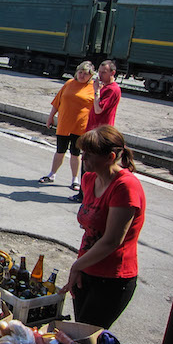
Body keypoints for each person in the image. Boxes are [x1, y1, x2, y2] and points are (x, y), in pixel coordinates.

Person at [60, 126, 146, 329]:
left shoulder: (125, 187)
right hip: (86, 269)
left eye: (89, 155)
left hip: (112, 278)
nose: (83, 158)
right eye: (82, 153)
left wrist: (77, 265)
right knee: (79, 332)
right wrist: (81, 266)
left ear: (110, 157)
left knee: (88, 337)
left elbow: (112, 241)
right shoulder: (89, 179)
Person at [39, 61, 95, 191]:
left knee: (75, 153)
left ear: (91, 75)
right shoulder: (69, 83)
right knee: (60, 150)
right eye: (80, 72)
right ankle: (52, 174)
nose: (81, 75)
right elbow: (57, 102)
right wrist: (50, 117)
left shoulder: (93, 88)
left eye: (85, 74)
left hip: (80, 126)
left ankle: (75, 180)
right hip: (64, 124)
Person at [70, 60, 122, 202]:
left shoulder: (112, 89)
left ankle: (85, 195)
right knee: (87, 161)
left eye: (104, 72)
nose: (100, 75)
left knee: (91, 162)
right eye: (99, 71)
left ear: (113, 73)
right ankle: (84, 193)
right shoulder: (105, 87)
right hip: (93, 129)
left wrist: (96, 91)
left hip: (100, 132)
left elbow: (99, 109)